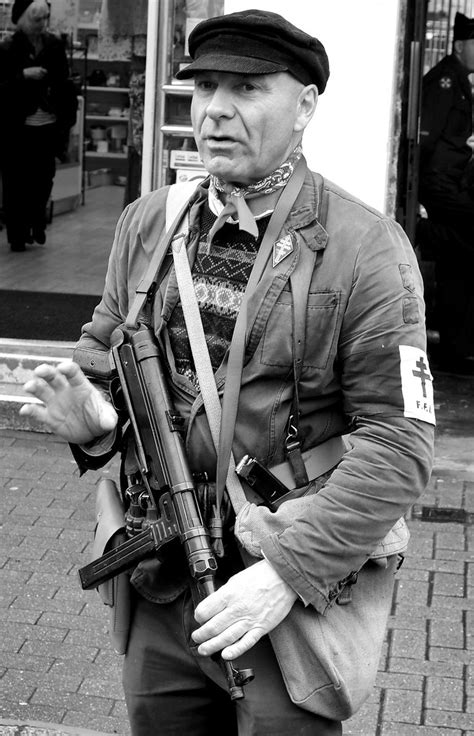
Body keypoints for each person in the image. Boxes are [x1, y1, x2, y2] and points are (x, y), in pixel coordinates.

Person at [20, 9, 435, 736]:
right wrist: (93, 422)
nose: (214, 110)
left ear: (305, 105)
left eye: (246, 88)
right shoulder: (152, 223)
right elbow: (102, 352)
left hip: (285, 596)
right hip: (161, 576)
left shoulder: (367, 249)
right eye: (204, 86)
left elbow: (399, 449)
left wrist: (283, 577)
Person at [416, 11, 474, 375]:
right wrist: (416, 198)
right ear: (458, 46)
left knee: (461, 256)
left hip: (451, 182)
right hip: (438, 185)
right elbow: (425, 139)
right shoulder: (444, 83)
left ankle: (457, 342)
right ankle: (422, 231)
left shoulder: (460, 81)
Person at [0, 0, 77, 252]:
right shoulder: (8, 47)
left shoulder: (54, 45)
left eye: (44, 19)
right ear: (22, 19)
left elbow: (64, 83)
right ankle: (17, 235)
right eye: (36, 19)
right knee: (15, 181)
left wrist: (66, 119)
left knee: (43, 179)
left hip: (48, 124)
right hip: (17, 126)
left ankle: (37, 222)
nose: (41, 24)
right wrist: (23, 75)